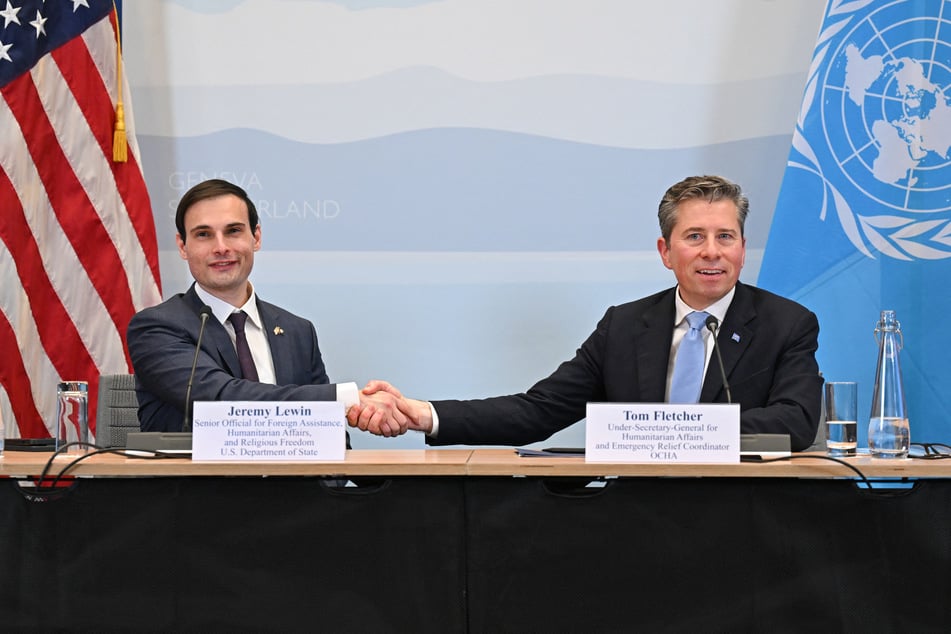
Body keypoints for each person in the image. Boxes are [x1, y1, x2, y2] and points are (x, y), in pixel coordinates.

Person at [350, 175, 823, 452]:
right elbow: (536, 412)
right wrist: (424, 414)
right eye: (695, 237)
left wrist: (672, 431)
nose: (712, 252)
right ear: (666, 251)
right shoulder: (625, 326)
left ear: (742, 249)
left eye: (725, 237)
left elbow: (796, 422)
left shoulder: (787, 324)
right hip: (637, 516)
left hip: (743, 514)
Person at [128, 178, 406, 434]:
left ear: (256, 237)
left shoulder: (298, 331)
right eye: (204, 234)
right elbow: (222, 399)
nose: (221, 247)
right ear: (182, 246)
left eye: (233, 231)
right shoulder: (156, 327)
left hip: (295, 475)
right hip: (196, 476)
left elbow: (330, 435)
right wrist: (344, 398)